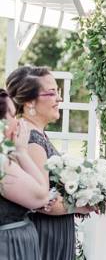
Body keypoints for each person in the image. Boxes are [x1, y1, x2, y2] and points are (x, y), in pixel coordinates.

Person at [6, 66, 93, 260]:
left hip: (52, 230)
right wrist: (80, 204)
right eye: (52, 93)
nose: (59, 99)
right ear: (30, 102)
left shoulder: (35, 133)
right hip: (45, 234)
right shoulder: (31, 140)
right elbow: (40, 201)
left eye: (58, 92)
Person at [0, 89, 49, 260]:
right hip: (9, 246)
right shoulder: (1, 163)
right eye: (12, 115)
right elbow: (40, 196)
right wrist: (22, 151)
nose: (18, 121)